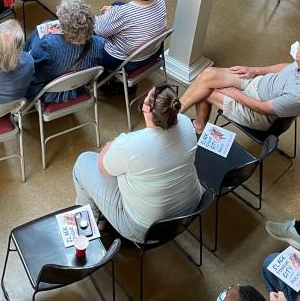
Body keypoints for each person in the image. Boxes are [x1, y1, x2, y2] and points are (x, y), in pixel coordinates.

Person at [71, 84, 202, 242]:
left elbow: (103, 167)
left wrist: (112, 144)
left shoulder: (131, 145)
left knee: (84, 161)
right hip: (189, 209)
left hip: (145, 229)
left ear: (146, 109)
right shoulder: (187, 123)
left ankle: (91, 225)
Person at [179, 30, 300, 134]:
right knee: (208, 75)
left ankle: (198, 127)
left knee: (207, 92)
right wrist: (254, 70)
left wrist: (234, 93)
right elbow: (287, 67)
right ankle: (172, 113)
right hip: (258, 84)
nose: (296, 44)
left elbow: (263, 108)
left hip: (257, 113)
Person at [24, 0, 105, 103]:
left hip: (46, 92)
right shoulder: (100, 44)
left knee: (42, 27)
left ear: (64, 28)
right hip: (77, 88)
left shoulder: (48, 44)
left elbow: (30, 68)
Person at [94, 0, 168, 72]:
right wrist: (113, 11)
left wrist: (108, 14)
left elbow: (99, 31)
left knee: (91, 35)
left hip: (127, 61)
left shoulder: (123, 13)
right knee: (117, 3)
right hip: (154, 51)